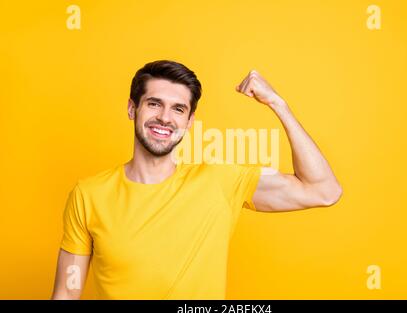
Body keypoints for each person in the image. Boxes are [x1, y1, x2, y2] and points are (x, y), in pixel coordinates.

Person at [51, 60, 342, 299]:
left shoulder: (221, 181)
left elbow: (322, 190)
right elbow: (66, 291)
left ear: (189, 122)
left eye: (178, 109)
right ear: (132, 108)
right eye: (154, 104)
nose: (165, 117)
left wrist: (278, 104)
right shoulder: (89, 195)